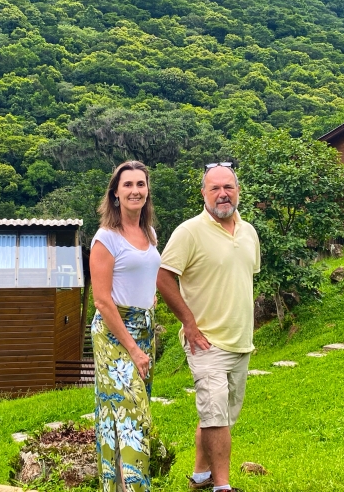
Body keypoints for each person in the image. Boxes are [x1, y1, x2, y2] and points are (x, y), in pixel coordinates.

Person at [156, 163, 260, 492]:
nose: (222, 193)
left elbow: (241, 279)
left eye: (228, 186)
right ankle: (222, 486)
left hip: (240, 341)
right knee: (215, 415)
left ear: (238, 191)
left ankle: (200, 476)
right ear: (203, 193)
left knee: (221, 414)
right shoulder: (189, 232)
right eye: (214, 188)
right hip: (205, 342)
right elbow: (163, 277)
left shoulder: (249, 233)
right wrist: (189, 323)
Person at [91, 160, 161, 492]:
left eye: (140, 184)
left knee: (127, 413)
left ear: (147, 192)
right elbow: (102, 300)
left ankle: (119, 487)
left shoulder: (149, 233)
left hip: (144, 329)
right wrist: (133, 348)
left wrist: (151, 301)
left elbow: (144, 276)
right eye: (128, 185)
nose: (135, 190)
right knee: (132, 415)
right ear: (116, 194)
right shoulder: (107, 238)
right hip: (114, 332)